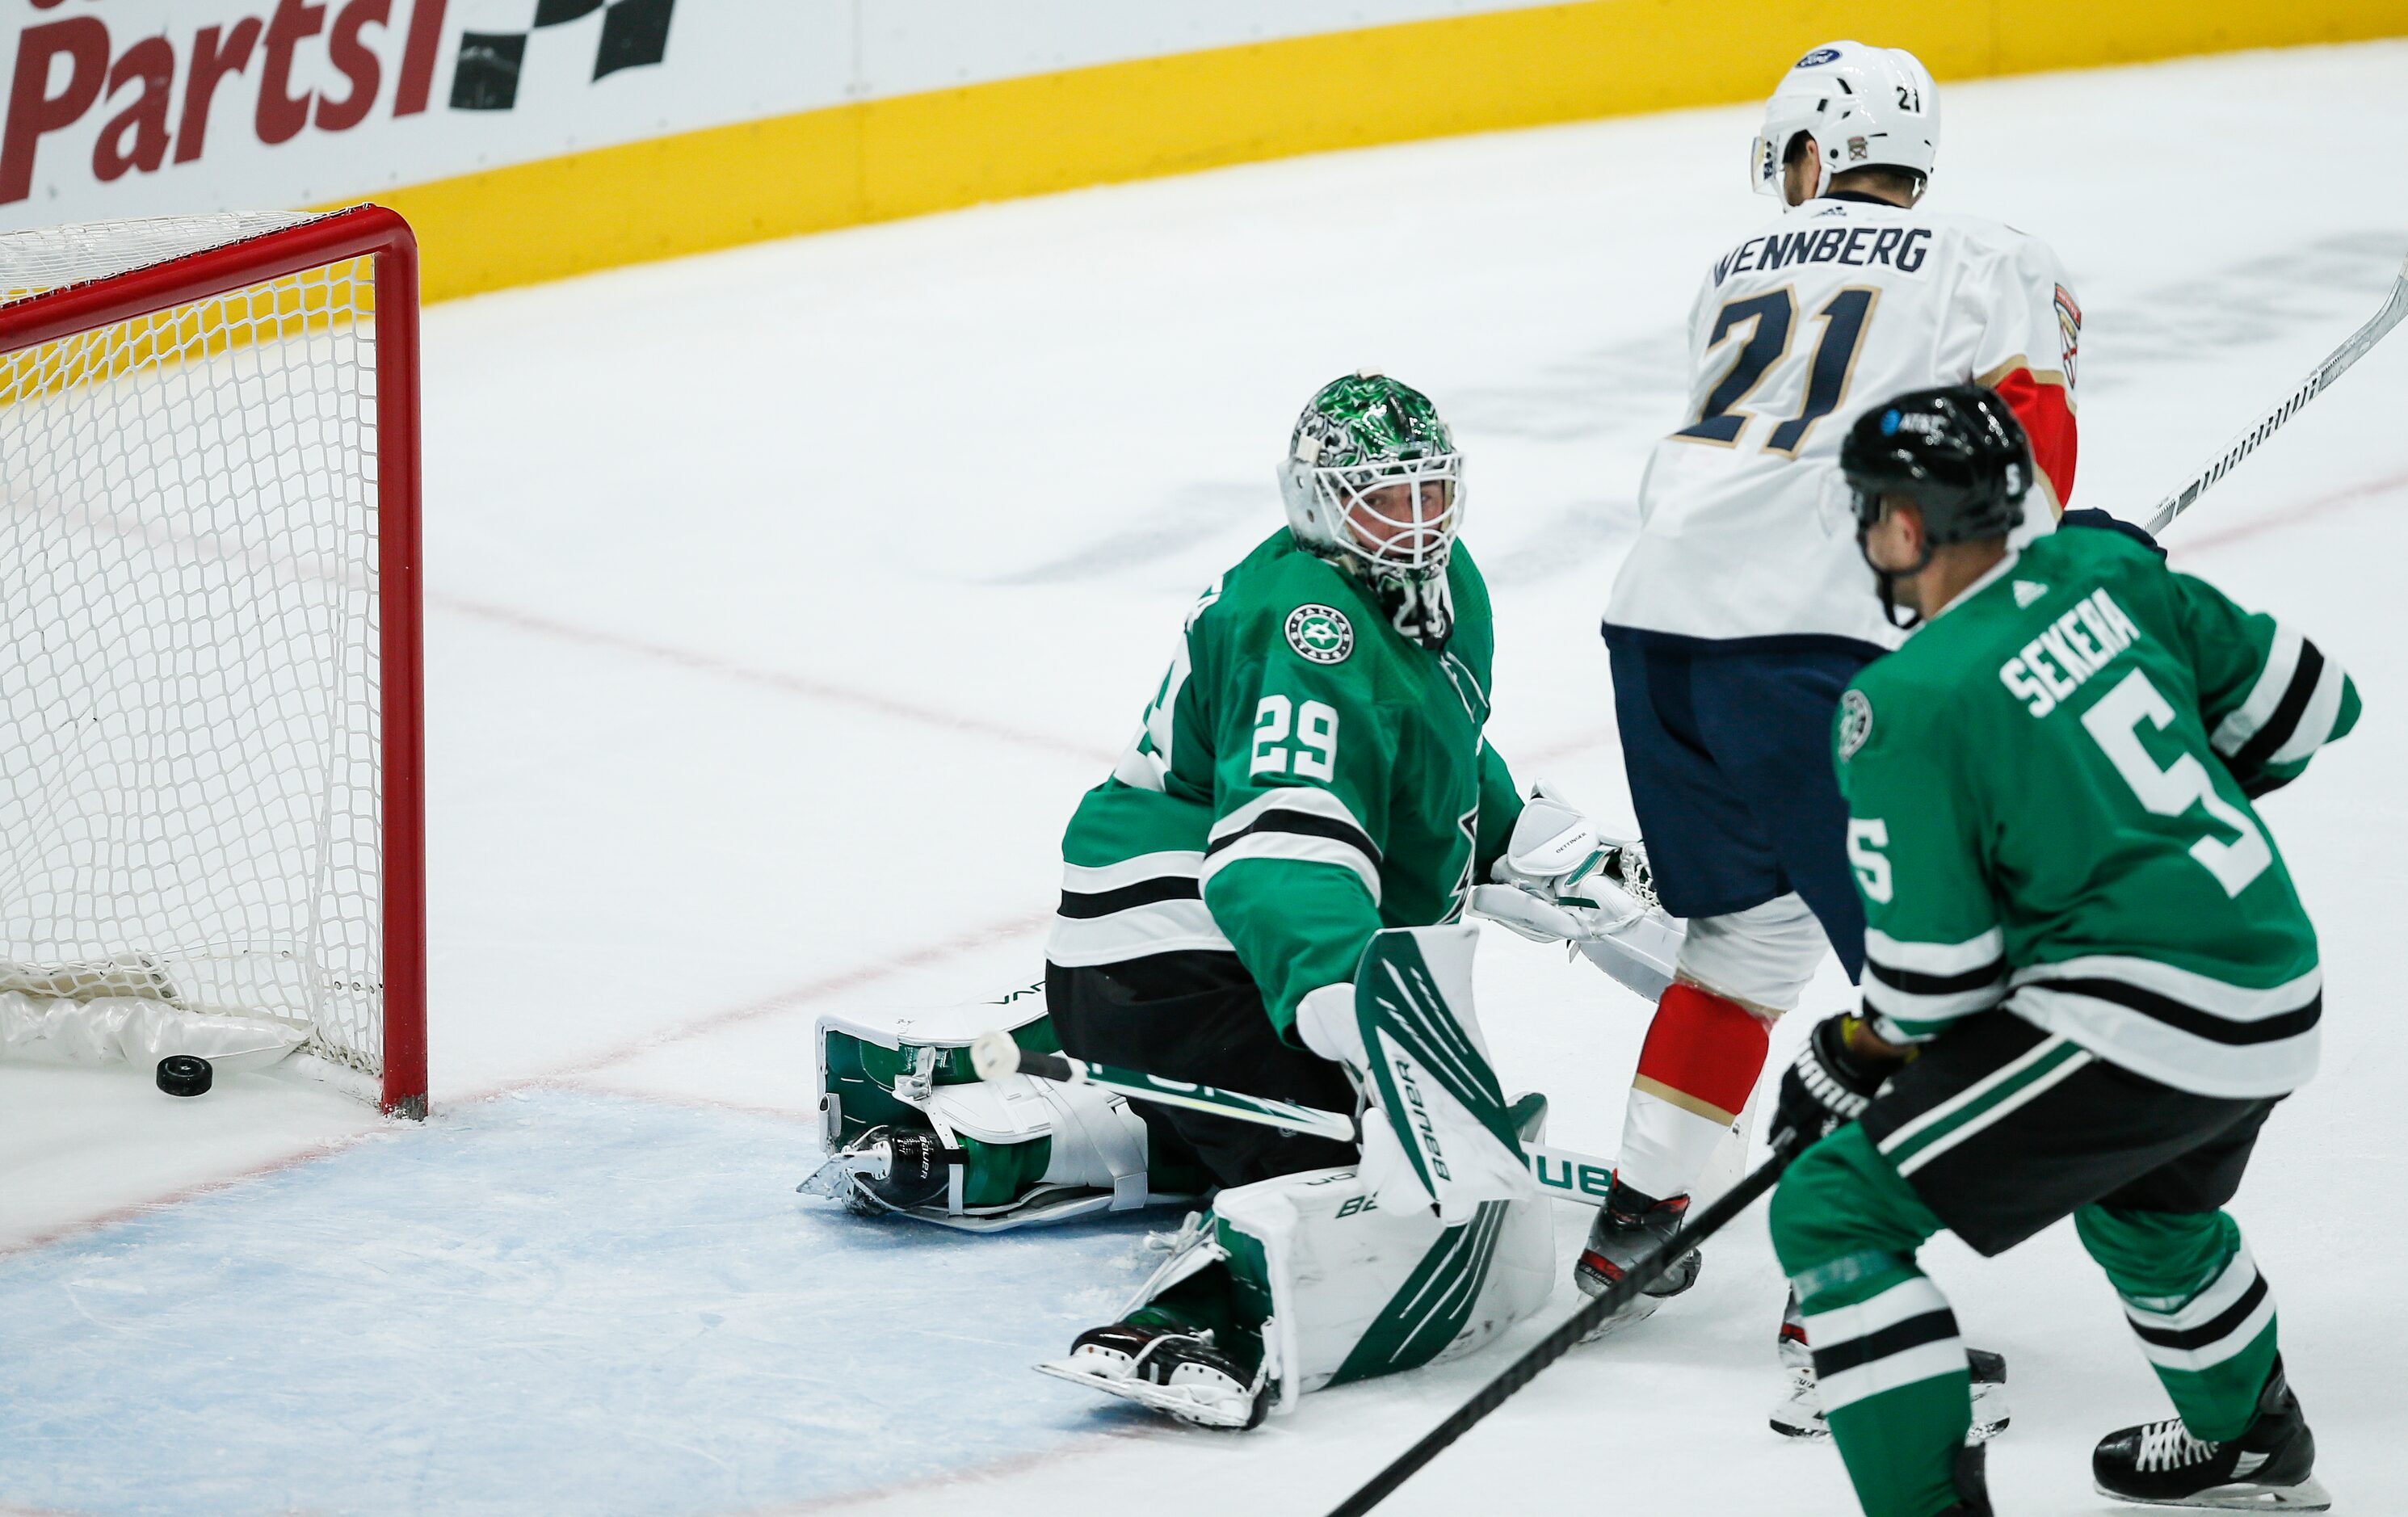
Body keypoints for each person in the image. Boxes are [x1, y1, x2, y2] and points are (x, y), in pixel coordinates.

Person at [1584, 40, 2087, 1432]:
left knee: (1741, 942)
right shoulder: (1988, 253)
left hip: (1656, 639)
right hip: (1812, 649)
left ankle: (1635, 1219)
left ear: (1807, 153)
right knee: (1932, 991)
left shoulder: (1736, 264)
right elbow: (2026, 450)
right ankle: (1845, 1321)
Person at [1767, 384, 2355, 1515]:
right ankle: (2249, 1440)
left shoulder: (1903, 701)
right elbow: (2310, 704)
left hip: (2143, 1011)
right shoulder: (2109, 572)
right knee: (2141, 1204)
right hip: (2273, 977)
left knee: (1830, 1208)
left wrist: (1845, 1054)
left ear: (1902, 525)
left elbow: (1936, 982)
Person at [1030, 372, 1660, 1427]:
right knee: (1344, 1150)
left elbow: (1419, 740)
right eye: (1381, 496)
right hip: (1161, 949)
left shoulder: (1442, 583)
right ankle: (1195, 1314)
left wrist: (1519, 841)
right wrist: (1350, 996)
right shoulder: (1305, 620)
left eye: (1428, 492)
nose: (1413, 522)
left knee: (1363, 1111)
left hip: (1215, 947)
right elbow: (1277, 846)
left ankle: (1149, 1128)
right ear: (1316, 500)